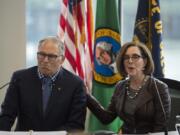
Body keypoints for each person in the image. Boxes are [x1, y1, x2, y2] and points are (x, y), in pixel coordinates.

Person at [0, 36, 87, 132]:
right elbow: (6, 115)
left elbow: (76, 124)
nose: (45, 60)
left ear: (62, 60)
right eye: (41, 54)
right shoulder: (20, 78)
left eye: (51, 56)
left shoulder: (75, 84)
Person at [86, 42, 171, 134]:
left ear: (145, 62)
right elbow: (107, 118)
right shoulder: (120, 86)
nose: (130, 61)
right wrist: (86, 95)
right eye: (126, 57)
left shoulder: (159, 88)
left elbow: (160, 129)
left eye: (135, 57)